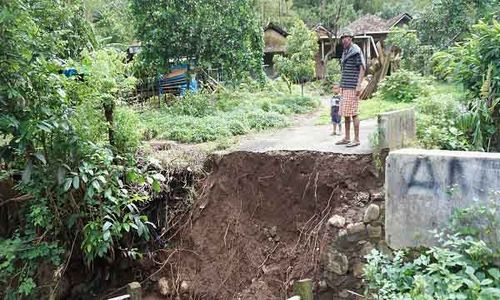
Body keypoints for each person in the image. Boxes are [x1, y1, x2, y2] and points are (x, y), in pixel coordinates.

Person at [335, 31, 366, 147]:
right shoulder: (346, 52)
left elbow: (362, 68)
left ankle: (356, 139)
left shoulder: (355, 51)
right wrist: (340, 85)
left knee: (353, 113)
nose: (344, 40)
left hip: (353, 86)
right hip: (345, 86)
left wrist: (358, 85)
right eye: (342, 38)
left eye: (346, 38)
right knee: (346, 113)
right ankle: (347, 138)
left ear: (351, 38)